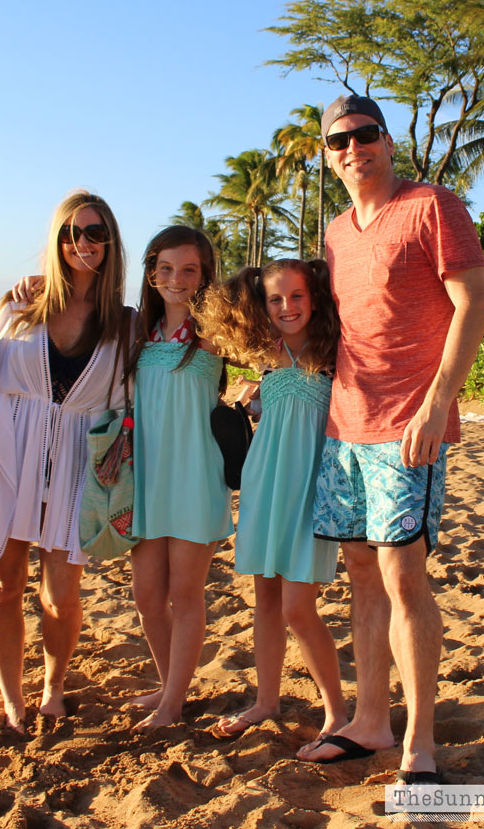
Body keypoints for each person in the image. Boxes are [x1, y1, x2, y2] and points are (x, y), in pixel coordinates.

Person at [309, 94, 484, 782]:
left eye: (364, 136)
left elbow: (473, 304)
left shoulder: (432, 207)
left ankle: (419, 741)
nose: (353, 150)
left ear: (388, 140)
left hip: (408, 425)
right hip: (344, 424)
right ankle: (371, 721)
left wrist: (439, 404)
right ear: (327, 156)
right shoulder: (334, 231)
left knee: (404, 575)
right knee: (360, 570)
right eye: (339, 142)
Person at [0, 191, 128, 731]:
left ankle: (54, 685)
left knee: (61, 595)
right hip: (12, 457)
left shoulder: (124, 324)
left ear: (110, 242)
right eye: (70, 233)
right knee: (5, 586)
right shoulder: (22, 306)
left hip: (74, 466)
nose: (80, 243)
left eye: (92, 233)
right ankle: (12, 694)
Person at [200, 259, 347, 759]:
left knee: (297, 607)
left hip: (310, 486)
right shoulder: (265, 351)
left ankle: (337, 713)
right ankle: (266, 700)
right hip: (265, 480)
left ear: (316, 297)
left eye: (297, 296)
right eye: (275, 299)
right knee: (264, 599)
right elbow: (203, 332)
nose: (287, 307)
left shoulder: (335, 352)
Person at [127, 226, 230, 730]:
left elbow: (272, 353)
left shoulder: (216, 332)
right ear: (151, 273)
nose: (177, 278)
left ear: (204, 275)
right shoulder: (134, 333)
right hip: (145, 478)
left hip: (195, 476)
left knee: (185, 595)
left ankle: (171, 706)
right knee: (147, 596)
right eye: (166, 268)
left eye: (189, 269)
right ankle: (172, 687)